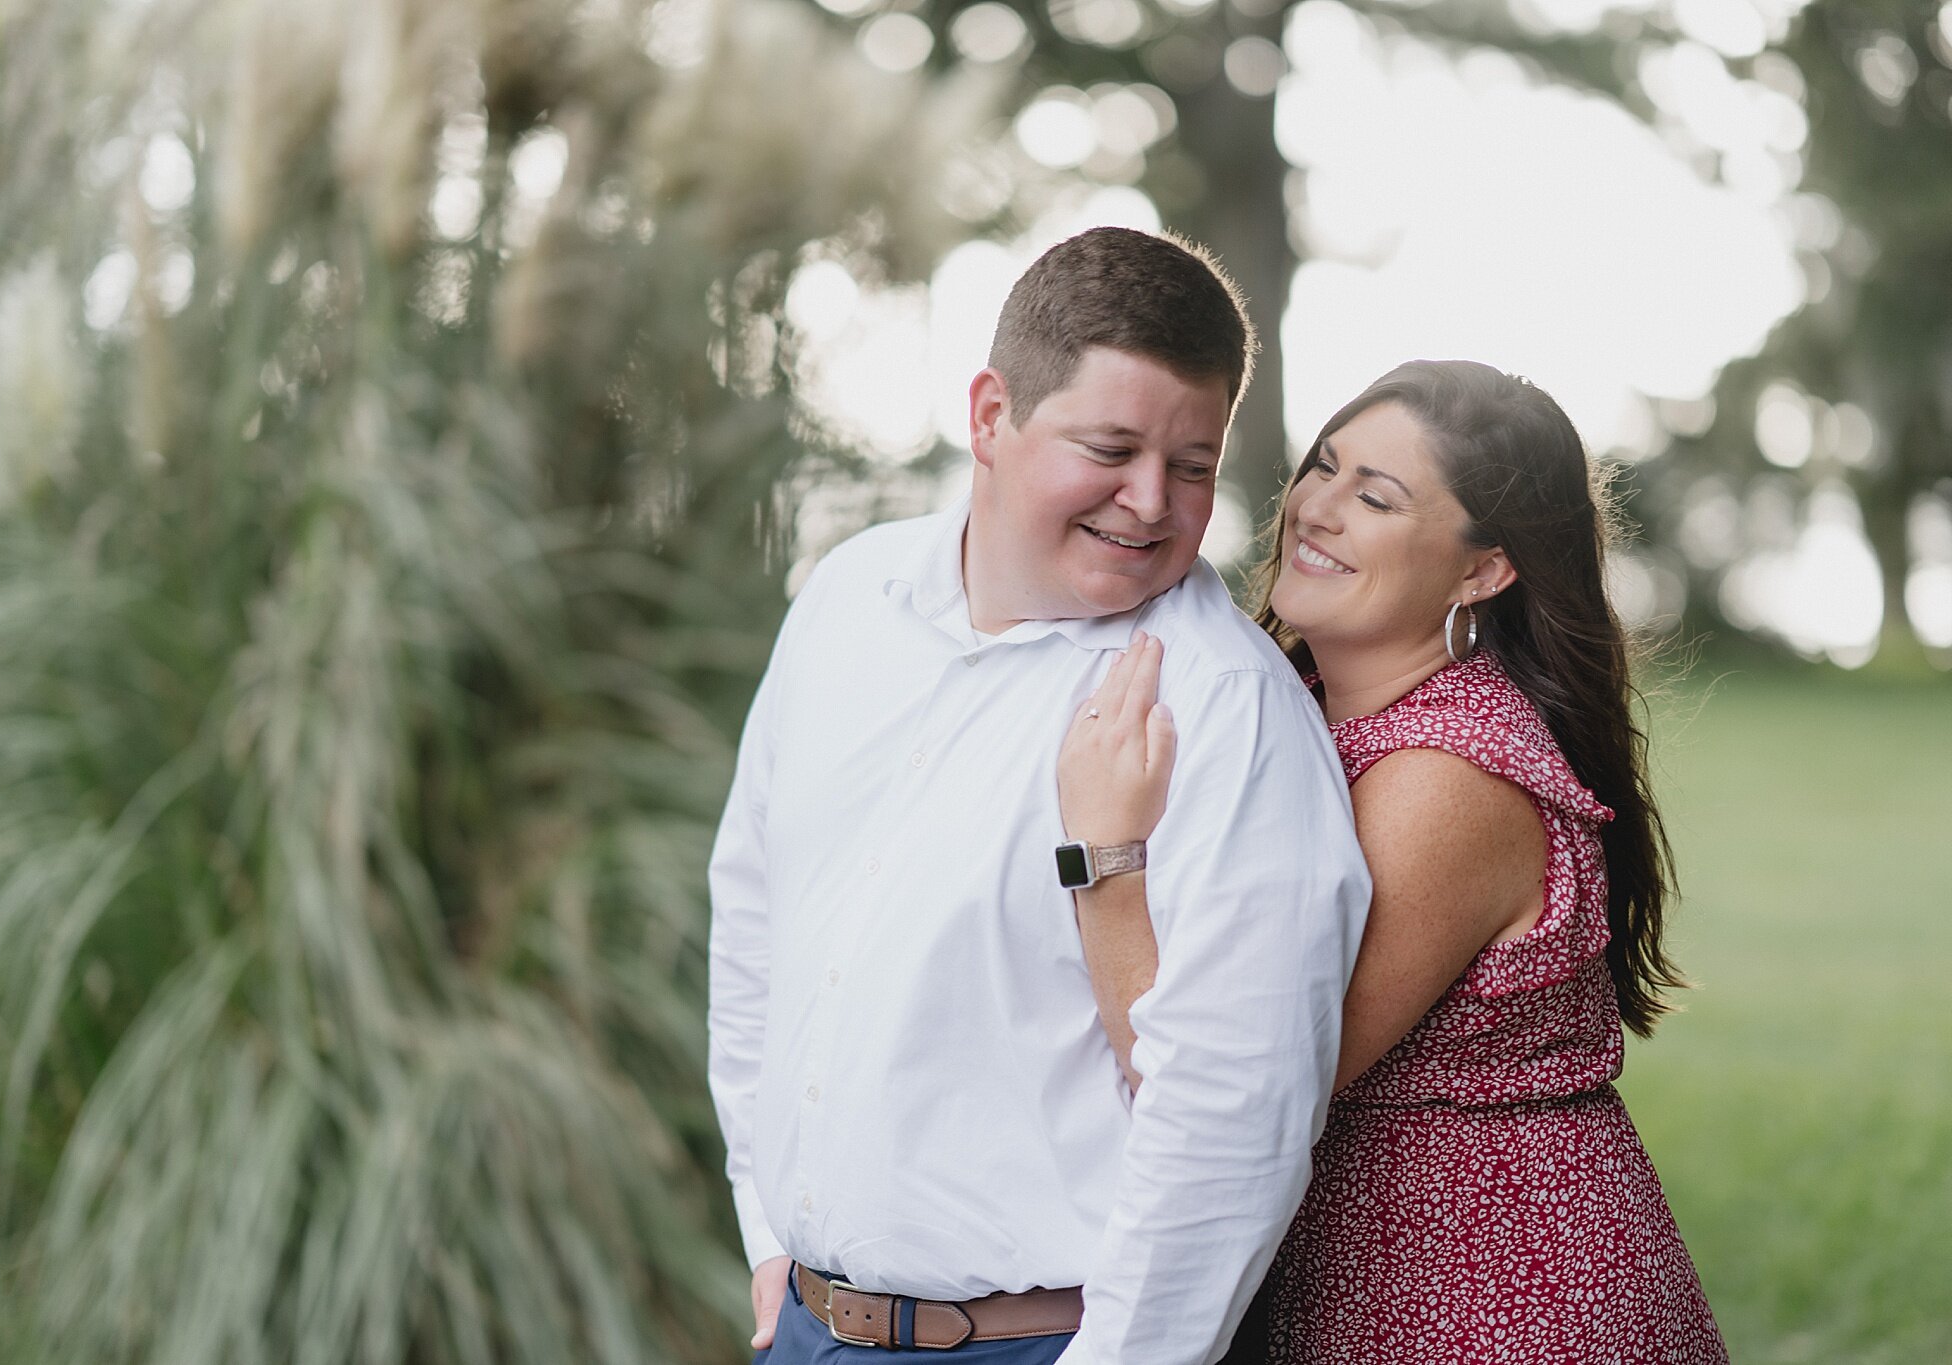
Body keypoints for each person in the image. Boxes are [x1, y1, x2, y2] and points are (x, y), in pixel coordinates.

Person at [706, 227, 1371, 1365]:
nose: (1150, 501)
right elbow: (758, 925)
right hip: (804, 1330)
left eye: (1193, 464)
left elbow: (1231, 1114)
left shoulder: (1226, 708)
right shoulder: (849, 596)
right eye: (1110, 448)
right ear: (988, 416)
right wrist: (766, 1225)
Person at [1057, 360, 1728, 1362]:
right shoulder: (1307, 713)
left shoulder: (1447, 779)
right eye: (1323, 468)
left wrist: (1106, 856)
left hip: (1489, 1303)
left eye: (1375, 498)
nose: (1316, 509)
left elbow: (1225, 1089)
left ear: (1482, 570)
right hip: (1361, 1283)